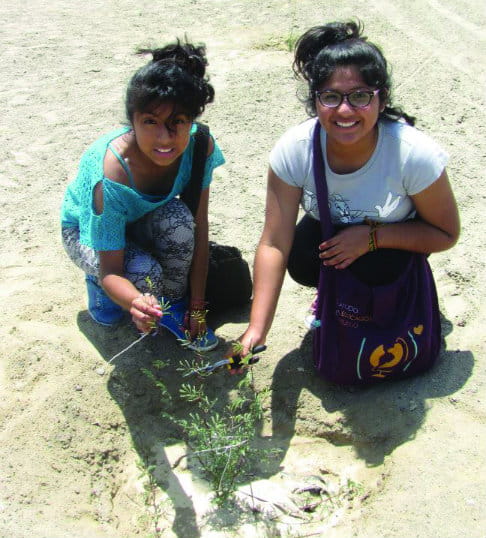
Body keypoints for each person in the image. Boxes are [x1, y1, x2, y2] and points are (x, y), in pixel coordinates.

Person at [237, 20, 459, 360]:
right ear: (315, 101)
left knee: (378, 265)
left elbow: (445, 234)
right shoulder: (295, 149)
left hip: (394, 242)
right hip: (330, 231)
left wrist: (372, 238)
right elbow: (274, 242)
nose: (344, 110)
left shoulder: (413, 155)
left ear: (381, 100)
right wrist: (256, 329)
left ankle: (393, 301)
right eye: (330, 97)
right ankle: (337, 297)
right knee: (303, 254)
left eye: (359, 97)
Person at [61, 40, 224, 352]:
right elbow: (112, 269)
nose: (165, 138)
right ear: (133, 120)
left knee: (180, 221)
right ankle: (99, 291)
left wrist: (197, 305)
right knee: (142, 275)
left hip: (139, 220)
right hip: (83, 232)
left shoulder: (200, 146)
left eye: (178, 121)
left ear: (192, 120)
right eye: (151, 122)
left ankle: (171, 306)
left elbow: (199, 227)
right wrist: (136, 301)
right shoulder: (111, 173)